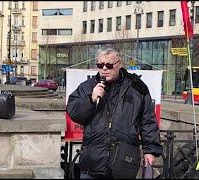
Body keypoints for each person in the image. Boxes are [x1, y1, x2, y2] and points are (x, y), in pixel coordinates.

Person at [66, 45, 163, 179]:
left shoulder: (136, 87)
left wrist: (150, 151)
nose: (104, 69)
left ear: (119, 64)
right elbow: (73, 112)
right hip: (93, 162)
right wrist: (91, 99)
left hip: (124, 161)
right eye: (100, 65)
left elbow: (148, 121)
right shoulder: (87, 87)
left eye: (109, 65)